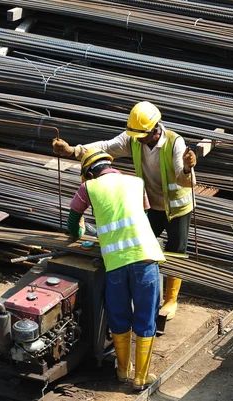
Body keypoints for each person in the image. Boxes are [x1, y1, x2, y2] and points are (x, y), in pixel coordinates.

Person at [54, 101, 196, 322]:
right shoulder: (133, 138)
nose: (137, 139)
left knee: (176, 251)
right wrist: (74, 150)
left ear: (155, 129)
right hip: (150, 203)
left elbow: (181, 176)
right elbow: (105, 146)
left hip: (177, 207)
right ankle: (145, 291)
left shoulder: (174, 143)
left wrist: (187, 168)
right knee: (142, 246)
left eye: (142, 135)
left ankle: (171, 300)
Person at [67, 148, 165, 390]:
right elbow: (140, 215)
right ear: (109, 166)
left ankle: (122, 371)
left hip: (115, 263)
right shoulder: (136, 182)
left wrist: (78, 231)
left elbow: (72, 222)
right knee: (145, 317)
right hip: (145, 258)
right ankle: (140, 378)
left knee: (119, 316)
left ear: (89, 173)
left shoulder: (87, 188)